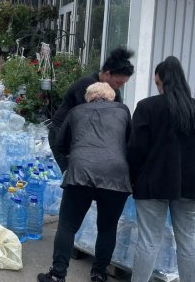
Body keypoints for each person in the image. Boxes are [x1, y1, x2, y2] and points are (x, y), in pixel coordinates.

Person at [38, 82, 132, 282]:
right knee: (107, 227)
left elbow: (60, 143)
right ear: (111, 97)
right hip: (116, 175)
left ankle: (57, 275)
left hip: (80, 173)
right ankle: (99, 274)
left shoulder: (76, 111)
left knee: (67, 225)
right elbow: (129, 143)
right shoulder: (123, 111)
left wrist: (72, 159)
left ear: (89, 97)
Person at [127, 56, 195, 282]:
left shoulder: (147, 107)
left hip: (152, 183)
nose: (157, 88)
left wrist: (132, 178)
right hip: (189, 186)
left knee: (148, 241)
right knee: (188, 242)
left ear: (163, 82)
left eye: (158, 84)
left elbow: (136, 149)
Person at [48, 48, 134, 172]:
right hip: (63, 134)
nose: (119, 87)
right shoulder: (87, 86)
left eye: (123, 84)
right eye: (118, 82)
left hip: (85, 139)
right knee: (74, 174)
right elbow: (87, 121)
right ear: (107, 73)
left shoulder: (114, 90)